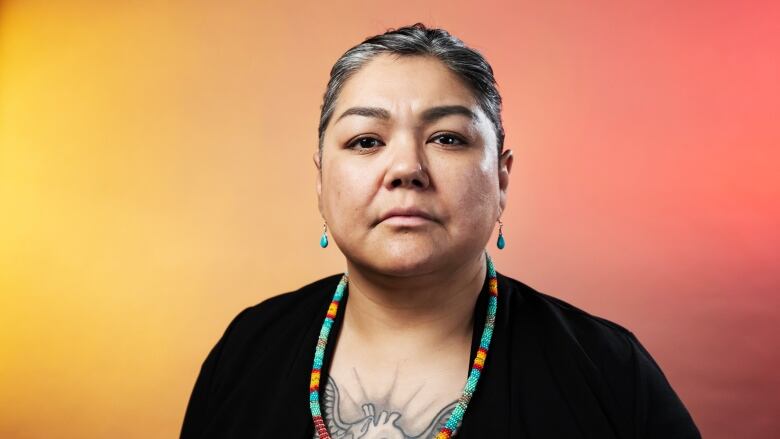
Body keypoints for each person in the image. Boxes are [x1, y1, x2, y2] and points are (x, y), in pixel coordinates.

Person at [179, 23, 701, 439]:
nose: (406, 167)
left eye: (447, 137)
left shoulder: (607, 372)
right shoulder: (247, 349)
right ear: (320, 180)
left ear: (501, 177)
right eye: (365, 141)